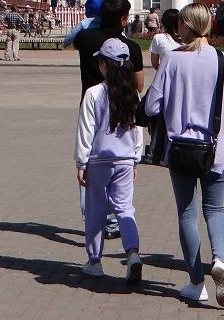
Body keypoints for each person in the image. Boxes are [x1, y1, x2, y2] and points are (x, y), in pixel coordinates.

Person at [144, 3, 224, 306]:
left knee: (187, 215)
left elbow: (152, 105)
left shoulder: (174, 60)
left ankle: (196, 283)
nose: (176, 27)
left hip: (181, 150)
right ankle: (219, 260)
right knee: (215, 211)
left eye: (180, 23)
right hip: (217, 149)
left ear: (188, 26)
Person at [73, 0, 145, 240]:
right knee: (121, 183)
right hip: (122, 107)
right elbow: (140, 85)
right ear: (124, 18)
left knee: (91, 170)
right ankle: (116, 225)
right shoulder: (131, 47)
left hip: (90, 104)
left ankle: (92, 221)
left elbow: (72, 38)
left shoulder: (85, 39)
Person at [75, 38, 144, 283]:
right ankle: (133, 253)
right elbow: (138, 129)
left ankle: (94, 261)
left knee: (96, 210)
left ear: (104, 64)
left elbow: (86, 130)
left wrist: (81, 163)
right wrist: (136, 159)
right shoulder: (133, 94)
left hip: (98, 160)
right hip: (125, 159)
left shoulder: (94, 93)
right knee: (125, 208)